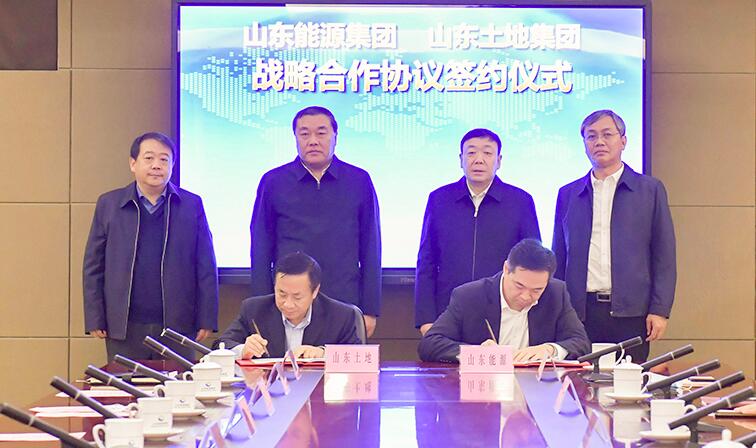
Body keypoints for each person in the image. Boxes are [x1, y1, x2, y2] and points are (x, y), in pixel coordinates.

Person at [552, 109, 676, 362]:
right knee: (577, 380)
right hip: (579, 312)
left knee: (628, 380)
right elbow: (559, 256)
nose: (599, 142)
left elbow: (664, 255)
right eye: (591, 136)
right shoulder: (568, 194)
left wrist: (660, 309)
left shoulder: (649, 190)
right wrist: (556, 309)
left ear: (623, 141)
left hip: (632, 313)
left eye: (607, 134)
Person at [83, 132, 218, 361]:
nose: (157, 165)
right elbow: (94, 265)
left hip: (178, 324)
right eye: (149, 158)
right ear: (133, 163)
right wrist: (95, 317)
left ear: (172, 166)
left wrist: (207, 317)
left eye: (164, 159)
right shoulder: (110, 204)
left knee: (178, 383)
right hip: (124, 325)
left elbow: (205, 263)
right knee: (126, 383)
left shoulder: (191, 205)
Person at [250, 106, 381, 337]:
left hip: (344, 300)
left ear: (335, 137)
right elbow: (260, 248)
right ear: (295, 137)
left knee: (341, 361)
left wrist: (370, 309)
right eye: (304, 134)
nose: (313, 141)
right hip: (289, 304)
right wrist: (262, 307)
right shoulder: (273, 181)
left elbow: (371, 246)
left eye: (321, 133)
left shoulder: (358, 180)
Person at [415, 128, 541, 335]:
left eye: (487, 153)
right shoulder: (439, 199)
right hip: (448, 310)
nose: (479, 160)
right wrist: (426, 319)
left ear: (499, 161)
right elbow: (426, 260)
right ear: (461, 159)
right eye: (471, 152)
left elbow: (532, 263)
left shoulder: (520, 201)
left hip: (504, 312)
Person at [418, 239, 590, 363]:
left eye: (537, 290)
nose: (525, 296)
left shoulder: (556, 294)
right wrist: (477, 353)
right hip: (483, 394)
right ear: (506, 269)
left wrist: (550, 349)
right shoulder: (470, 296)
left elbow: (581, 342)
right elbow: (430, 344)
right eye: (519, 286)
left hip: (536, 389)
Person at [218, 252, 361, 359]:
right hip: (269, 389)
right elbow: (221, 345)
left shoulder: (340, 315)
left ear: (315, 291)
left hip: (319, 389)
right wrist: (243, 350)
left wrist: (323, 353)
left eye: (297, 296)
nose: (288, 304)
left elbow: (360, 356)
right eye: (282, 294)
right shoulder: (254, 309)